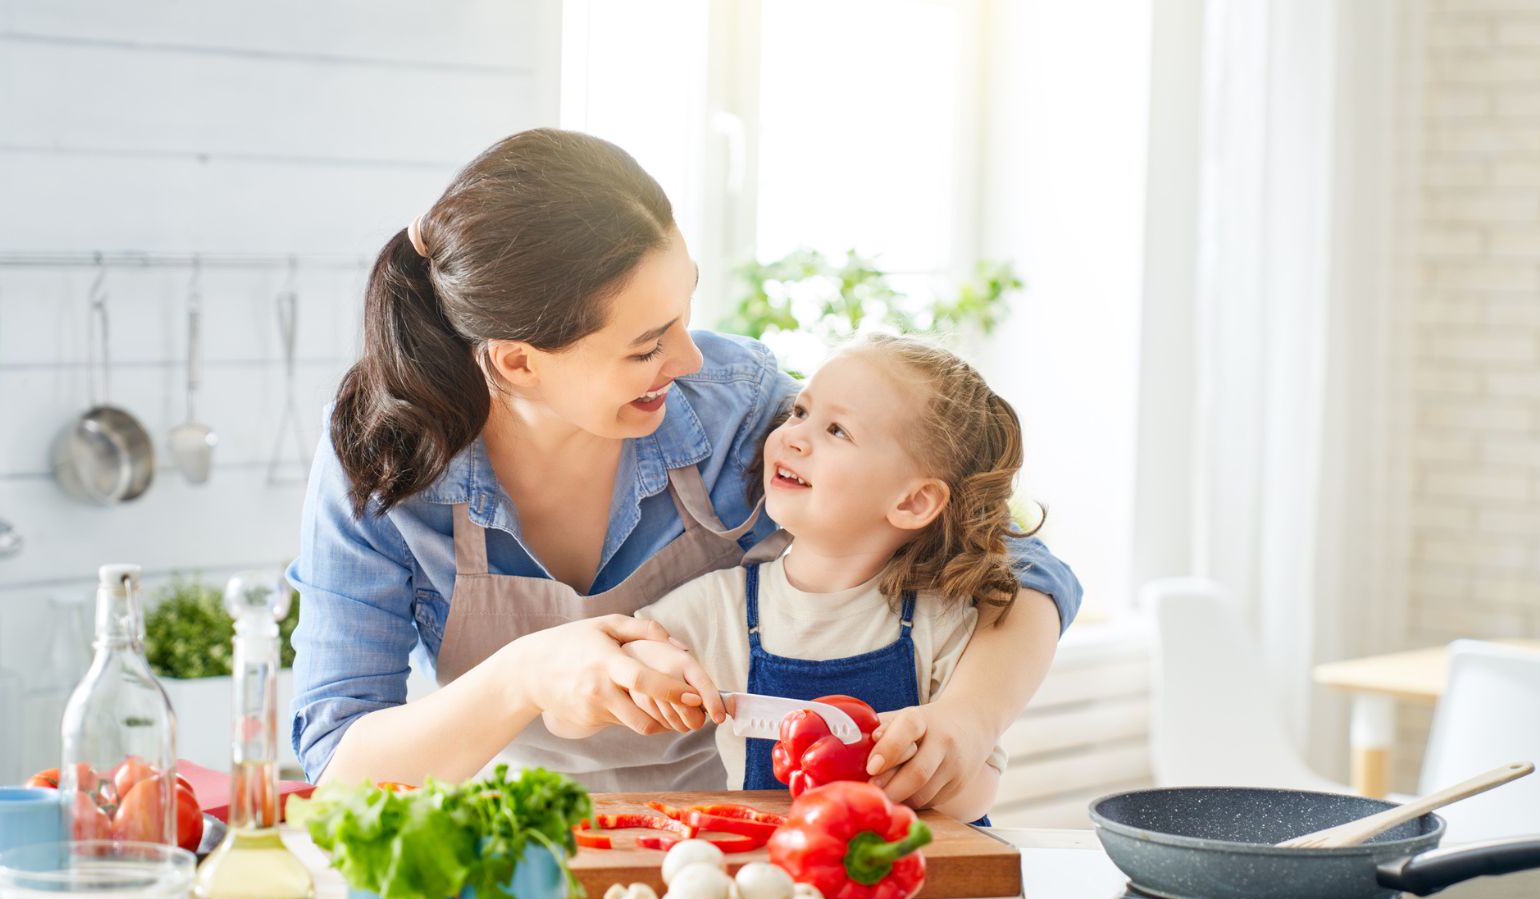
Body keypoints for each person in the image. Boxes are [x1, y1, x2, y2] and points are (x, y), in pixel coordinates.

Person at [288, 128, 1082, 800]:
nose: (689, 356)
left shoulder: (734, 410)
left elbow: (1016, 564)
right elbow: (339, 773)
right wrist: (522, 676)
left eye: (683, 311)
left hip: (724, 852)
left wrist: (969, 723)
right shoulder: (382, 460)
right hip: (518, 848)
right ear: (519, 363)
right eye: (645, 345)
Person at [621, 334, 1025, 823]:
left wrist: (923, 770)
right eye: (800, 412)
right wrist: (645, 668)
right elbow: (623, 660)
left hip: (921, 880)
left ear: (913, 502)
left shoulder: (944, 619)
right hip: (771, 873)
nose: (793, 436)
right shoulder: (718, 607)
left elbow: (979, 794)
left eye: (837, 431)